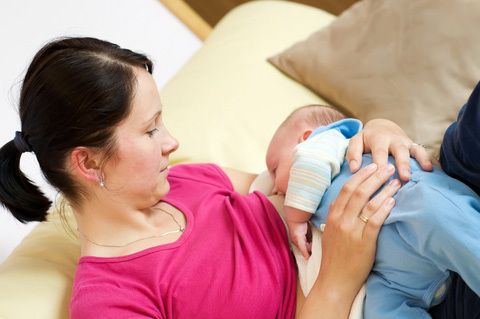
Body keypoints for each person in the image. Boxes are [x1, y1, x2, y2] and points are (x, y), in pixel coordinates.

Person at [0, 36, 431, 319]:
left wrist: (374, 131)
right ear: (89, 163)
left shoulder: (190, 179)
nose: (172, 142)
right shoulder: (113, 301)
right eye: (150, 131)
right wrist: (340, 276)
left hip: (415, 244)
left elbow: (299, 173)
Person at [266, 103, 480, 318]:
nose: (274, 187)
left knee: (438, 217)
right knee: (378, 310)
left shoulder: (323, 143)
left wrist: (295, 217)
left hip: (408, 206)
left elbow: (309, 166)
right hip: (391, 273)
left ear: (305, 137)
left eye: (274, 169)